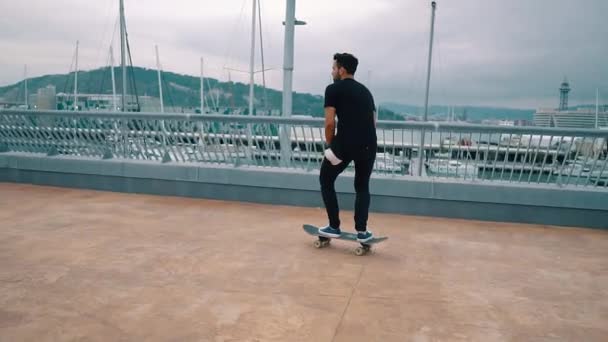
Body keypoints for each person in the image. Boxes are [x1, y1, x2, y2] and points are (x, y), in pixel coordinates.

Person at [318, 52, 377, 243]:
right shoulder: (366, 91)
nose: (332, 71)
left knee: (326, 179)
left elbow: (329, 124)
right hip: (369, 143)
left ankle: (334, 226)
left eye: (334, 68)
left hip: (345, 144)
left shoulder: (333, 89)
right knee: (362, 186)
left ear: (341, 70)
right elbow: (373, 121)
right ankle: (362, 231)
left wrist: (330, 145)